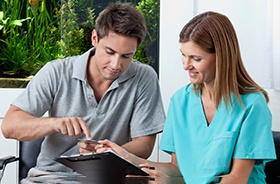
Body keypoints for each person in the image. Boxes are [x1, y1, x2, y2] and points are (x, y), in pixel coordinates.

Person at [94, 11, 276, 184]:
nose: (186, 66)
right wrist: (126, 157)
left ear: (221, 57)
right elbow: (177, 170)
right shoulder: (181, 101)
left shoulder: (252, 105)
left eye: (196, 58)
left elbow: (236, 179)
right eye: (183, 55)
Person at [1, 2, 165, 183]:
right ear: (94, 38)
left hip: (108, 180)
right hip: (50, 179)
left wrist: (111, 152)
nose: (115, 65)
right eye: (109, 52)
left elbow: (145, 144)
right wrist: (54, 123)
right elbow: (9, 126)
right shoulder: (56, 71)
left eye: (127, 56)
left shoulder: (144, 77)